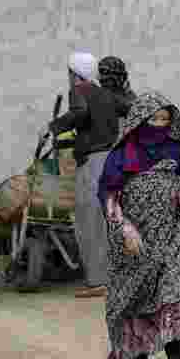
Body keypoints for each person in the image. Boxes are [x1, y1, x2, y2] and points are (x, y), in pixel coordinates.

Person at [97, 91, 180, 359]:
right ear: (139, 121)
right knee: (136, 300)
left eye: (165, 120)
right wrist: (125, 229)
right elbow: (109, 196)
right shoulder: (121, 156)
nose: (159, 125)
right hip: (134, 242)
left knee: (172, 295)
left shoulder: (174, 150)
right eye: (153, 119)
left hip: (168, 238)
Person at [50, 52, 130, 298]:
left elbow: (80, 113)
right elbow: (128, 107)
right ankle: (114, 277)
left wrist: (54, 126)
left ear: (75, 74)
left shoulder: (80, 90)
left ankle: (97, 281)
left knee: (88, 221)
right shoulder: (106, 93)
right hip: (112, 160)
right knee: (108, 220)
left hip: (93, 163)